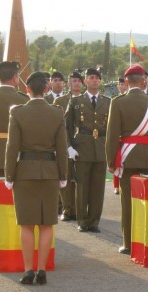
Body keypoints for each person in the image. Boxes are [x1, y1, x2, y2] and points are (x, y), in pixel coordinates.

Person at [4, 71, 68, 285]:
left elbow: (12, 147)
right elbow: (62, 148)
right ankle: (42, 270)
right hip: (50, 171)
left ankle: (28, 269)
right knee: (47, 224)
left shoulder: (18, 113)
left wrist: (9, 174)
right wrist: (63, 174)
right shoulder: (57, 112)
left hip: (25, 172)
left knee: (27, 224)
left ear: (27, 89)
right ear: (47, 89)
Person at [106, 65, 148, 255]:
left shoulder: (117, 102)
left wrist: (110, 161)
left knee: (128, 201)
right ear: (144, 81)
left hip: (127, 158)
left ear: (126, 82)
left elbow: (112, 135)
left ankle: (129, 243)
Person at [66, 68, 110, 233]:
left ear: (100, 81)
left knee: (98, 188)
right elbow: (67, 127)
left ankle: (94, 221)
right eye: (91, 78)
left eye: (97, 78)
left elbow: (112, 129)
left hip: (101, 148)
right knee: (82, 186)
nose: (94, 80)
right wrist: (69, 147)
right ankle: (82, 221)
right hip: (82, 147)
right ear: (85, 81)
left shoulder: (108, 102)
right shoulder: (76, 101)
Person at [55, 70, 84, 222]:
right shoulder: (60, 102)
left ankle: (79, 210)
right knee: (65, 179)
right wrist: (66, 146)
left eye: (79, 81)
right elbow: (60, 127)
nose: (77, 83)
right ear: (69, 84)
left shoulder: (86, 100)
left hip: (83, 145)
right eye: (73, 81)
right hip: (64, 145)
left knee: (81, 179)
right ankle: (67, 209)